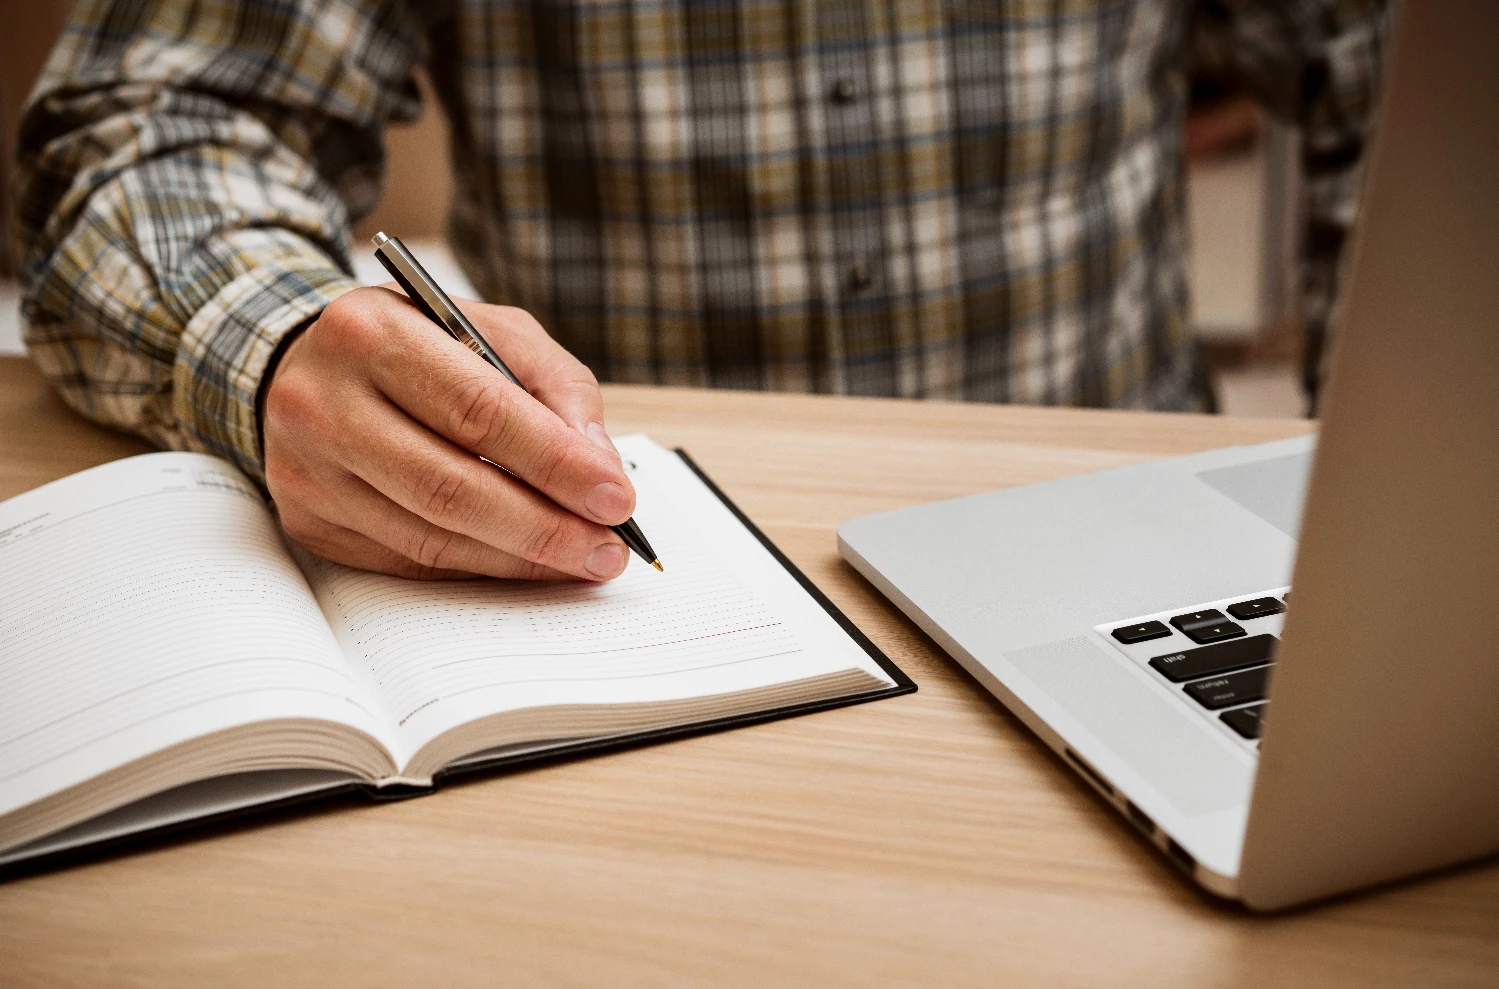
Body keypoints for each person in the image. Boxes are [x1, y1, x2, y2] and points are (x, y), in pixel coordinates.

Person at [12, 0, 1385, 583]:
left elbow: (1399, 91)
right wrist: (272, 338)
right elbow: (155, 114)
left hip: (1133, 545)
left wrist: (1402, 509)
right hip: (597, 593)